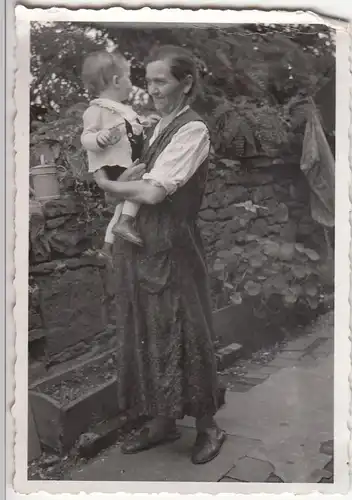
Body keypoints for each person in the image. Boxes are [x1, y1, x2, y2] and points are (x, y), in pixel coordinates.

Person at [95, 45, 226, 465]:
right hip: (140, 243)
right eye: (147, 81)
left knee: (187, 332)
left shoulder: (193, 131)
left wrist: (112, 187)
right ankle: (162, 423)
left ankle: (208, 427)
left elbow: (153, 191)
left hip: (173, 245)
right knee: (146, 330)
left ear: (186, 83)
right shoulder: (155, 128)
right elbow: (140, 182)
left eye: (161, 81)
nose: (151, 89)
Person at [81, 50, 160, 255]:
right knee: (140, 184)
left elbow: (129, 128)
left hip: (123, 162)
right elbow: (86, 138)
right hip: (113, 165)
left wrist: (145, 123)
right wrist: (98, 139)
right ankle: (125, 222)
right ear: (117, 80)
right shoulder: (96, 110)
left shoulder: (120, 109)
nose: (131, 84)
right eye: (129, 78)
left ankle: (108, 246)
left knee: (123, 203)